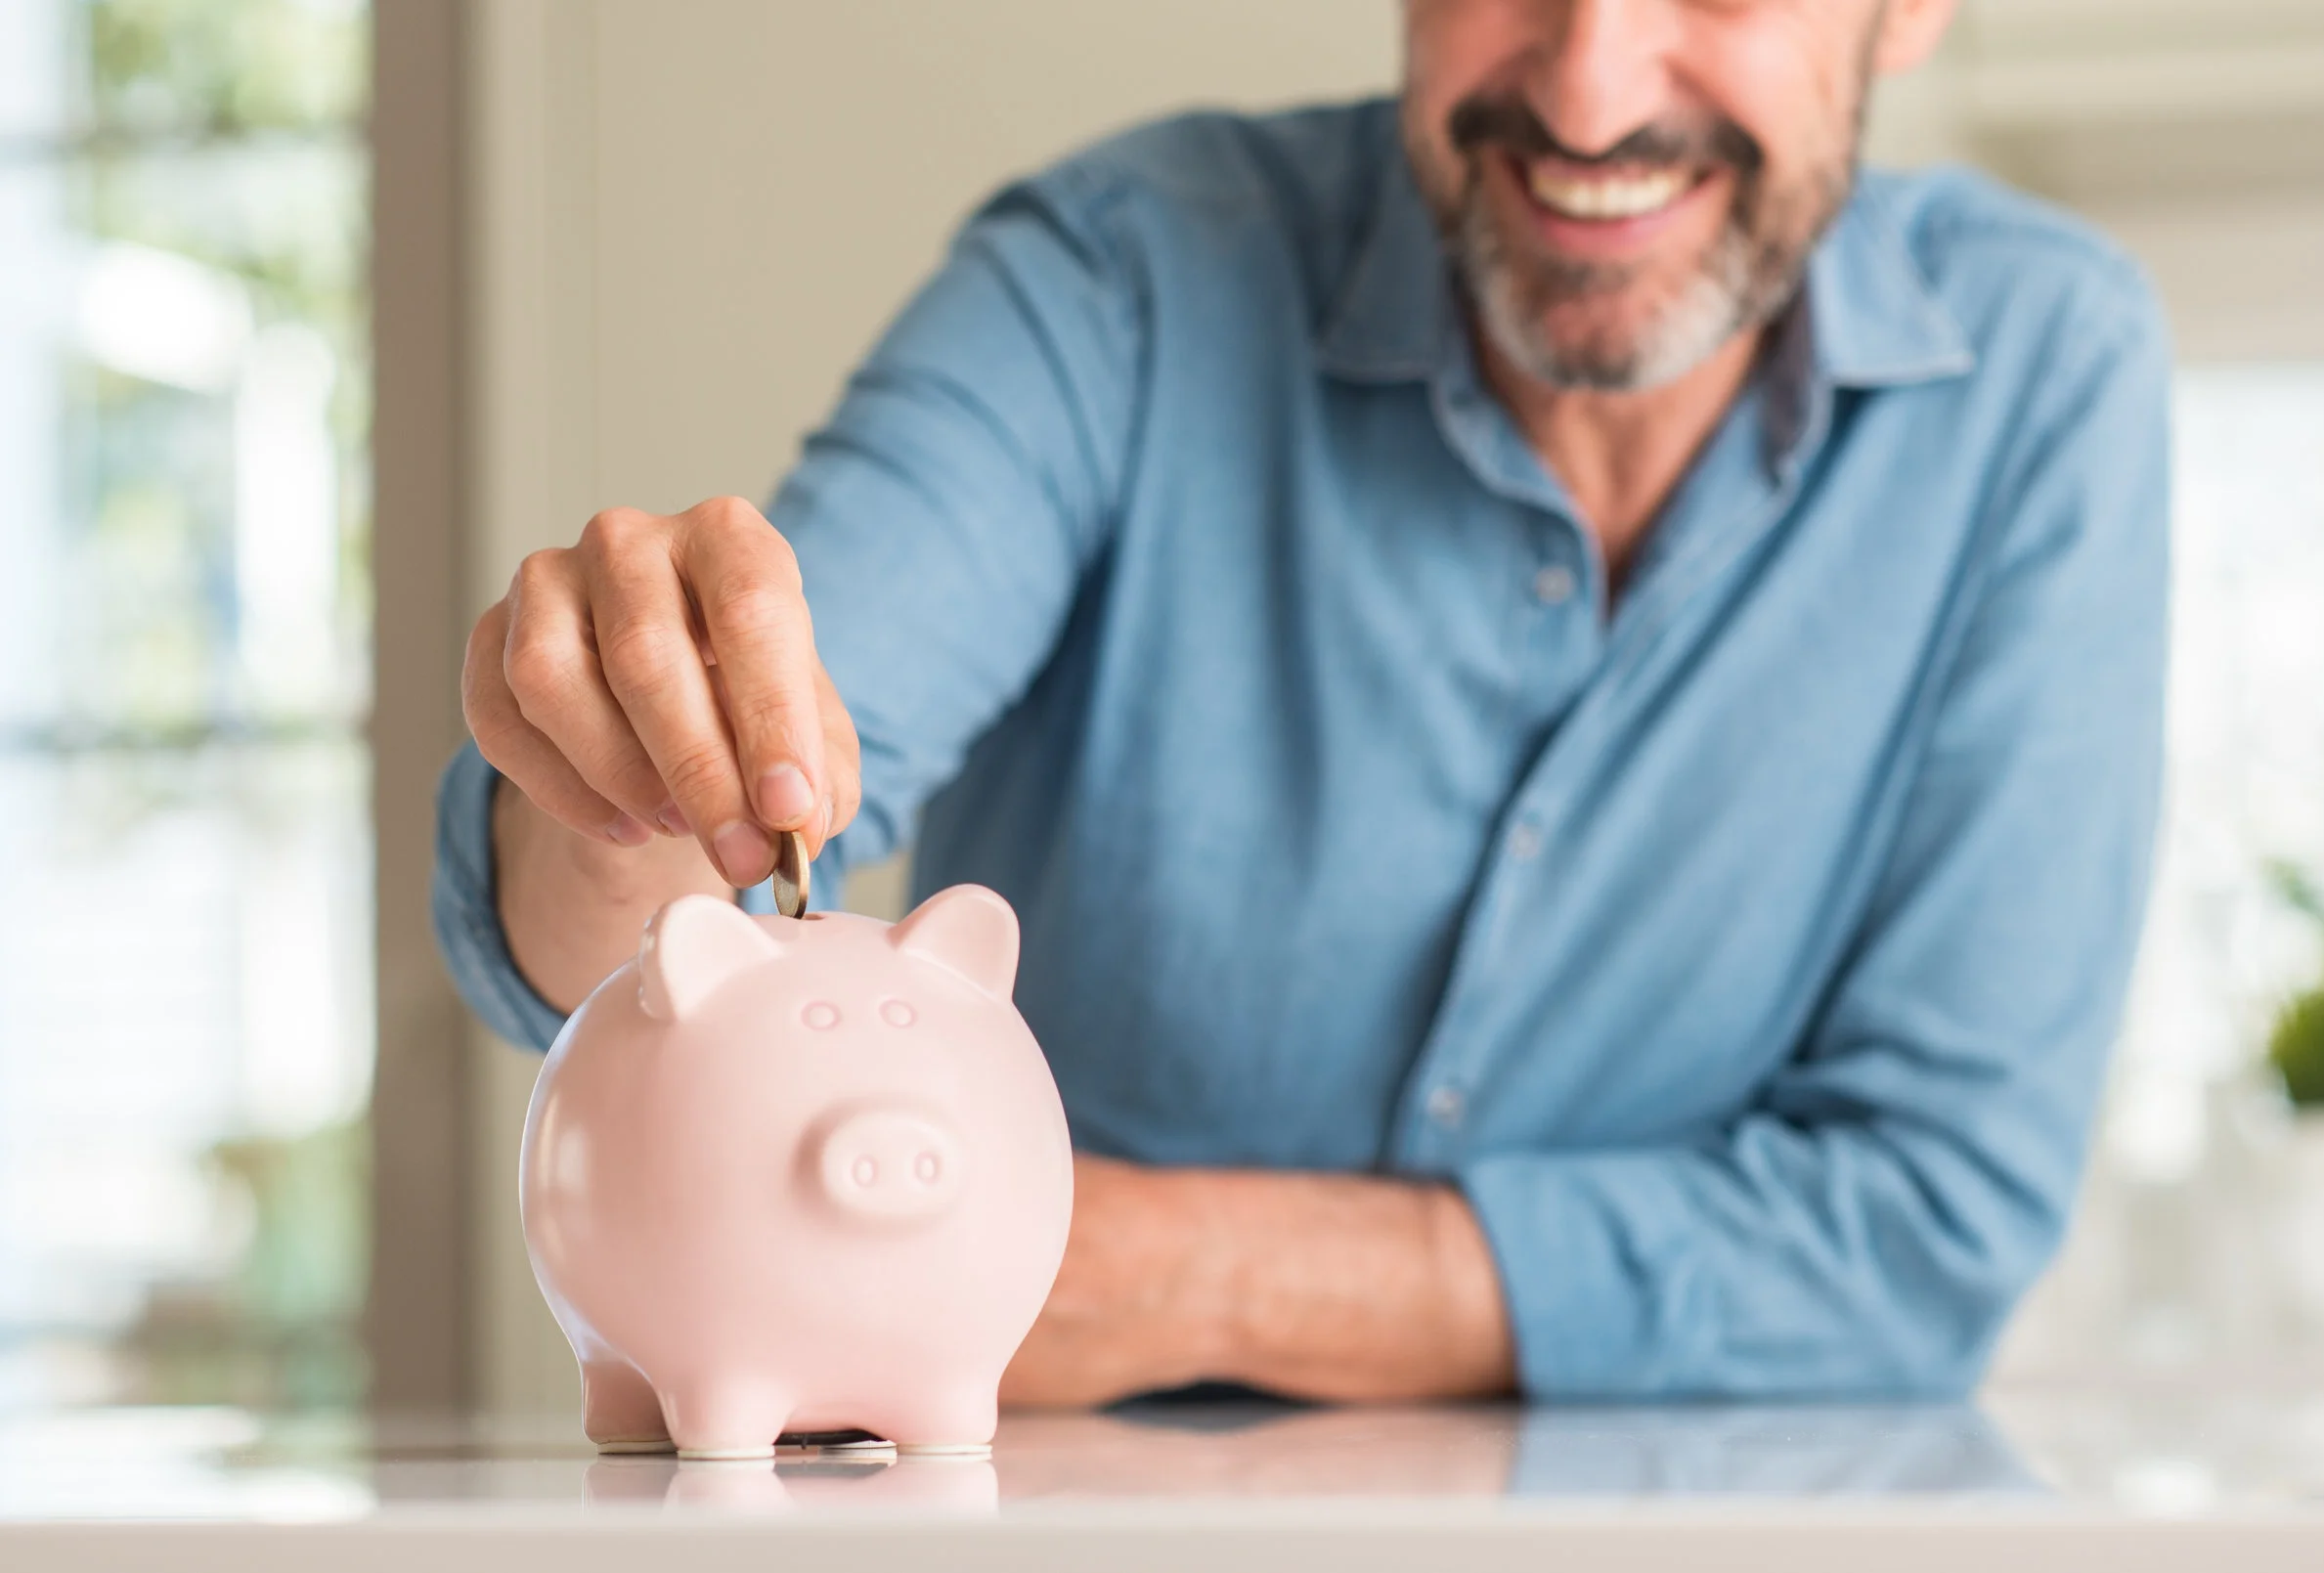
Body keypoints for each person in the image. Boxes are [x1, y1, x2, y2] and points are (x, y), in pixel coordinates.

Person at [433, 0, 2168, 1405]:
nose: (1588, 85)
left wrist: (1147, 1274)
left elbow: (1921, 1233)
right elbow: (672, 903)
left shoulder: (2042, 372)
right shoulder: (1118, 277)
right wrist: (620, 770)